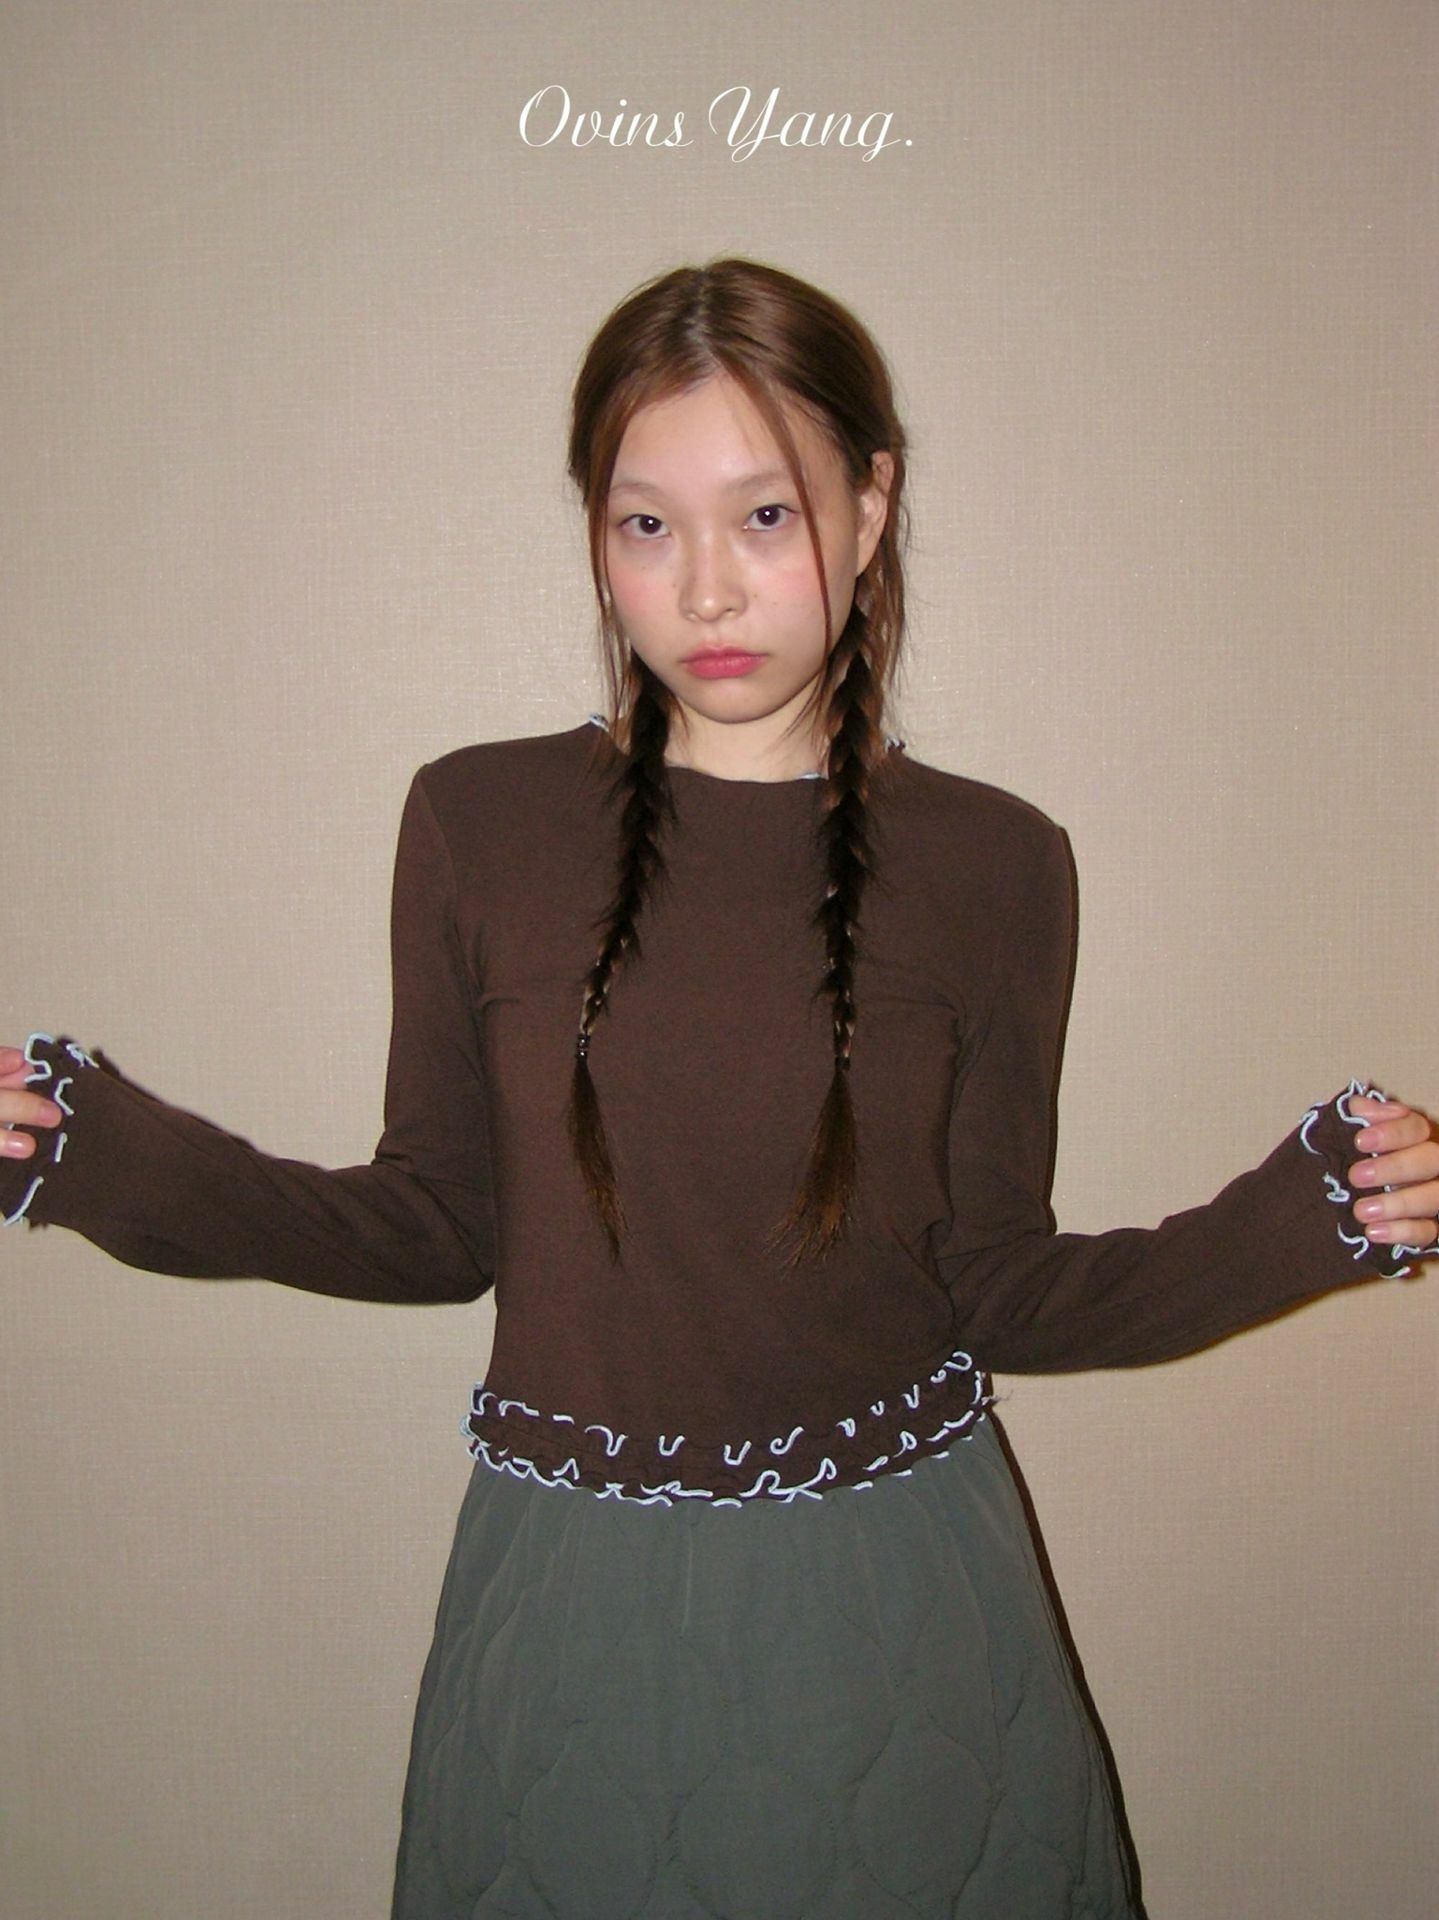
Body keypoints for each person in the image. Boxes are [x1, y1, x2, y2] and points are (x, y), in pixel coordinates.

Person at [2, 258, 1434, 1920]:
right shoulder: (476, 823)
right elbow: (434, 1224)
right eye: (645, 525)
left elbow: (998, 1285)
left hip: (902, 1598)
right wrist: (98, 1156)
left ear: (872, 506)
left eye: (764, 516)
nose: (704, 588)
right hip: (571, 1603)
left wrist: (1302, 1221)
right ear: (594, 533)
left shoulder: (998, 862)